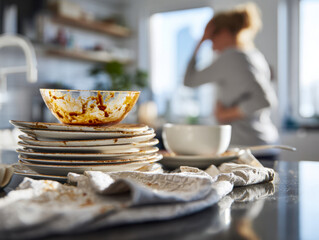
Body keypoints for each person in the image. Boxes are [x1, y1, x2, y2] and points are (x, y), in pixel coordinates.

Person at [184, 2, 279, 158]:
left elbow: (189, 80)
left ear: (224, 32)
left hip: (248, 149)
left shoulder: (231, 58)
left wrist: (226, 114)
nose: (211, 45)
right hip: (264, 145)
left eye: (212, 37)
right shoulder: (253, 55)